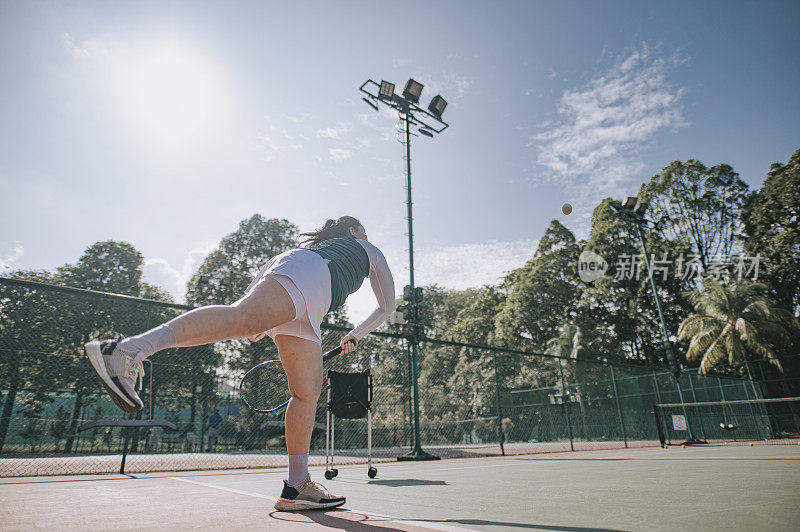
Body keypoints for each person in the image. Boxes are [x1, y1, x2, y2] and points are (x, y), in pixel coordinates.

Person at [84, 216, 395, 511]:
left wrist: (254, 306)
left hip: (312, 298)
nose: (367, 238)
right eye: (364, 232)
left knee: (306, 392)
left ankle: (297, 485)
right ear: (353, 231)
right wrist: (356, 332)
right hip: (309, 280)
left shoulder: (316, 250)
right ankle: (125, 350)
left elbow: (276, 262)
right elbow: (387, 306)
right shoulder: (366, 249)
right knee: (241, 318)